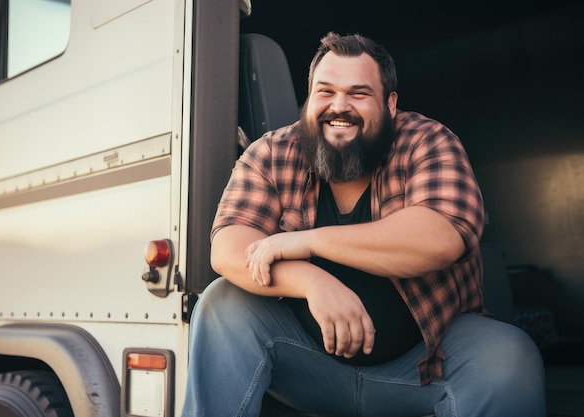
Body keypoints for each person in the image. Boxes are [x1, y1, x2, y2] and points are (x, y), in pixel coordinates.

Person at [181, 32, 545, 417]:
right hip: (308, 367)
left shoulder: (429, 141)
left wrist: (309, 242)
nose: (339, 106)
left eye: (358, 93)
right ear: (308, 99)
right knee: (222, 302)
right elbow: (228, 246)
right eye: (325, 92)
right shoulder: (271, 152)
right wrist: (312, 282)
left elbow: (440, 237)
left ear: (389, 104)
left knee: (510, 356)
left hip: (425, 365)